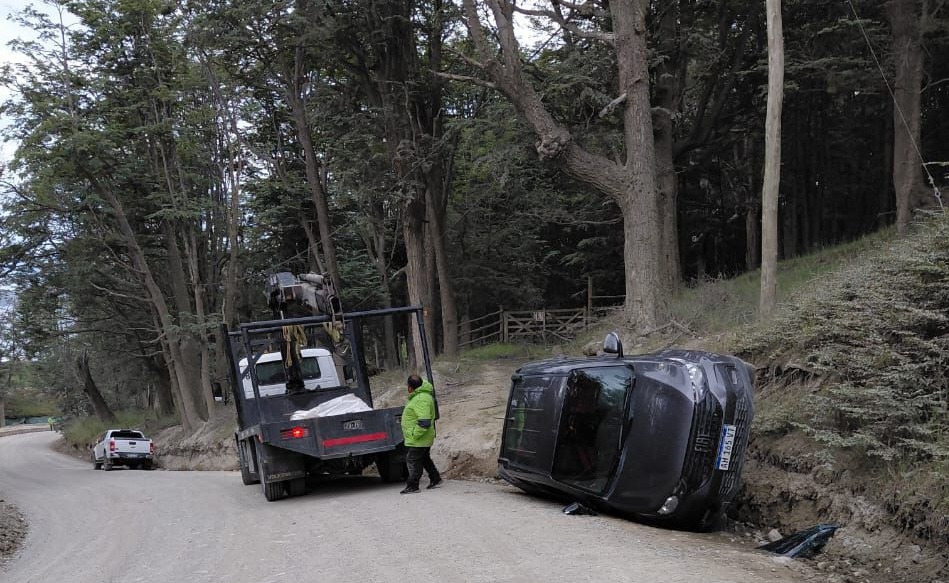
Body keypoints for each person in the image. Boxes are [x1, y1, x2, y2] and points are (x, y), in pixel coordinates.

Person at [400, 374, 442, 494]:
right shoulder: (422, 396)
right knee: (424, 458)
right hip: (423, 437)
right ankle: (435, 478)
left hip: (419, 438)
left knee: (412, 459)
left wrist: (414, 434)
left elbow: (424, 422)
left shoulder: (420, 399)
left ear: (410, 387)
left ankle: (413, 485)